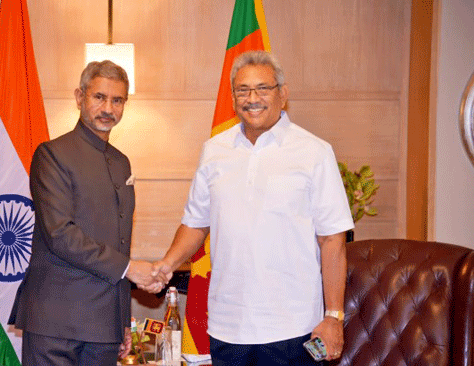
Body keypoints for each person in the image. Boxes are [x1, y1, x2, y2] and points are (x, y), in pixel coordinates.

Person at [151, 50, 354, 365]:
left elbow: (332, 240)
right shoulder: (213, 151)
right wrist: (165, 266)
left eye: (263, 88)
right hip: (226, 327)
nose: (252, 98)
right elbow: (195, 224)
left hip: (292, 329)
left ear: (283, 94)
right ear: (233, 99)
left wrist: (334, 316)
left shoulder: (314, 152)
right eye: (242, 90)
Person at [9, 60, 169, 366]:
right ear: (80, 96)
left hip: (104, 326)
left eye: (117, 100)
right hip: (56, 322)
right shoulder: (51, 154)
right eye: (99, 97)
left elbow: (121, 242)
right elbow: (59, 234)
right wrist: (130, 269)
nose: (108, 108)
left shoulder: (122, 163)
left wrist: (122, 321)